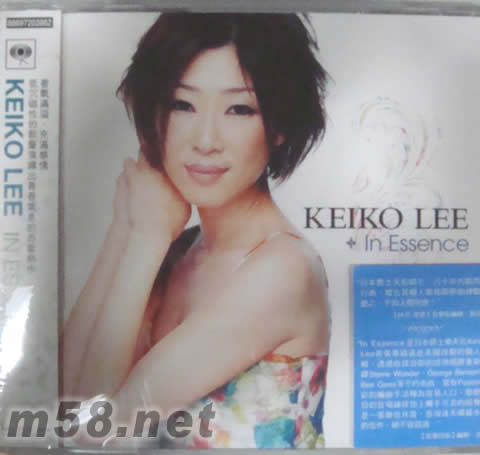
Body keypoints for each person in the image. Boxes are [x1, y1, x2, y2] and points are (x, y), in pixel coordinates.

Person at [62, 12, 330, 449]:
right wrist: (127, 225)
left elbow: (93, 436)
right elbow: (64, 400)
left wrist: (144, 238)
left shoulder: (282, 269)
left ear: (280, 125)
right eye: (181, 104)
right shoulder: (181, 248)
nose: (205, 140)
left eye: (239, 109)